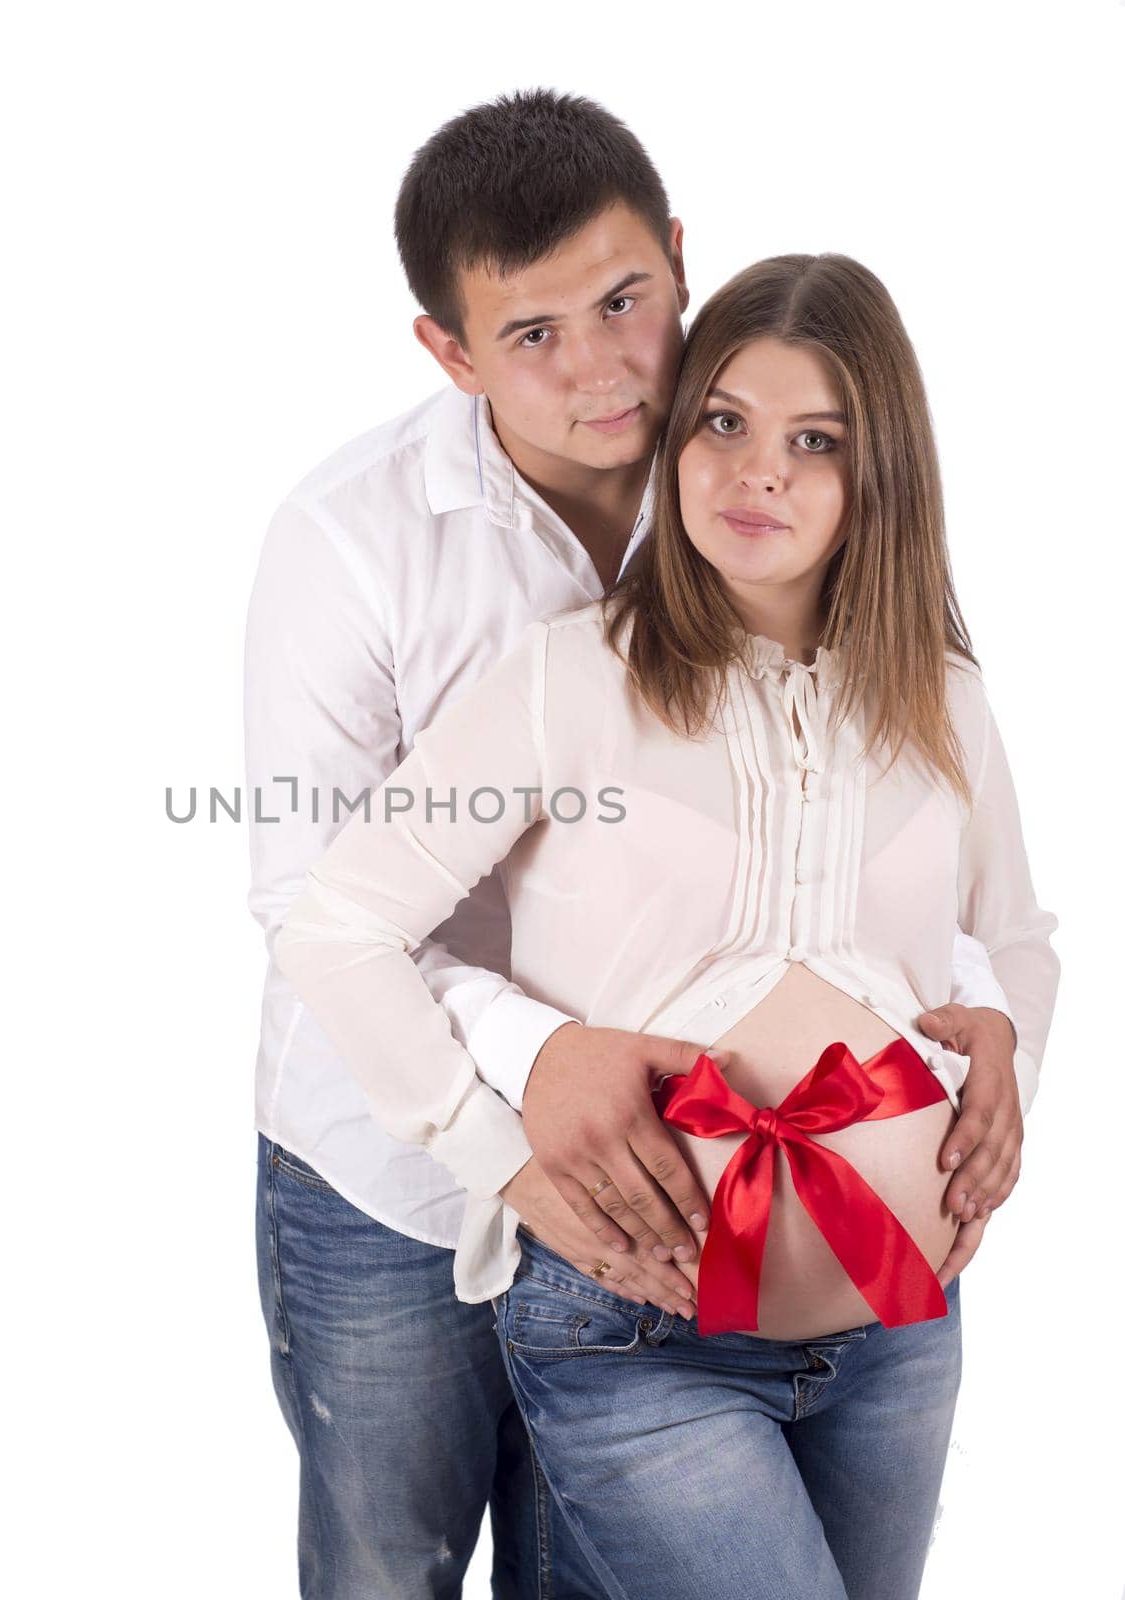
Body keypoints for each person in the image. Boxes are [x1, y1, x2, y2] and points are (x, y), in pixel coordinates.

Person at [245, 89, 1022, 1598]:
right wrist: (531, 1087)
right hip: (389, 1162)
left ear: (678, 261)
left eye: (624, 302)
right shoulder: (350, 543)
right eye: (532, 334)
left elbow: (886, 857)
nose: (604, 369)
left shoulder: (756, 470)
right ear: (451, 354)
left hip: (701, 1211)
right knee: (386, 1560)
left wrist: (982, 1027)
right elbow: (317, 907)